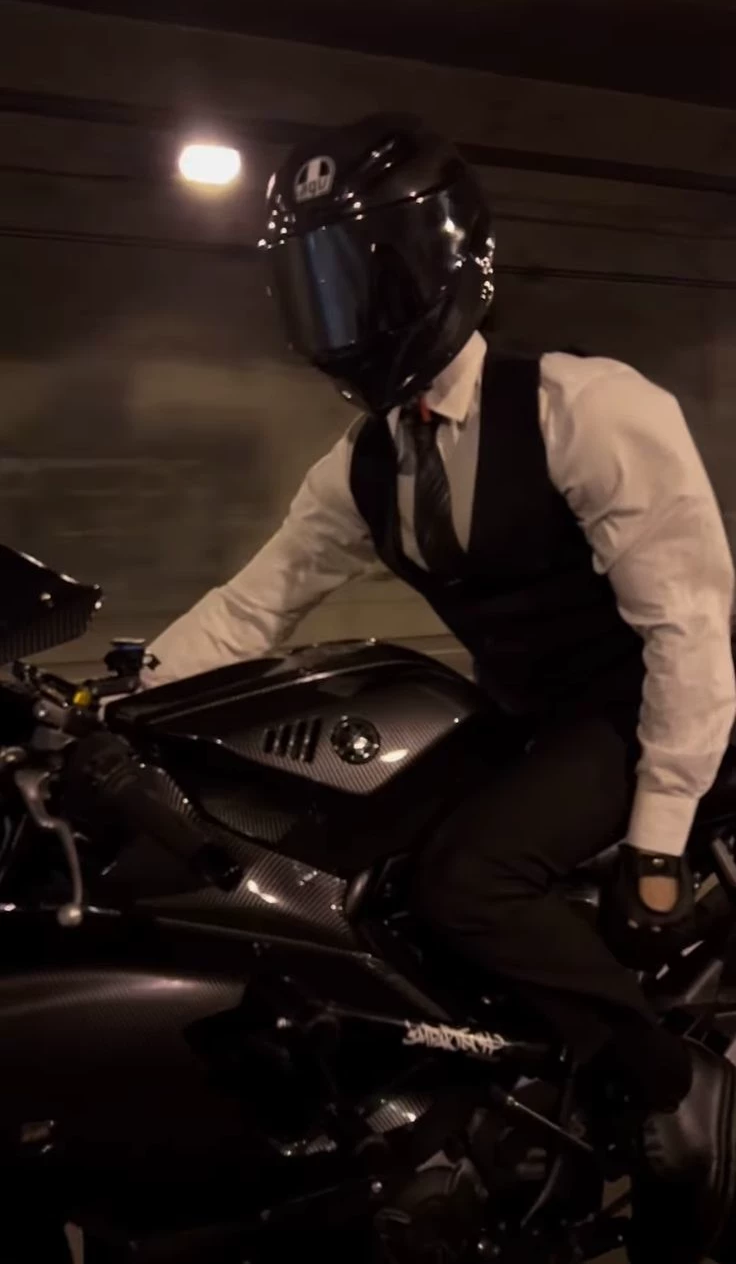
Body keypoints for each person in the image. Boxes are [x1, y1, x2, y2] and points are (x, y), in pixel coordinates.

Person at [142, 114, 736, 1190]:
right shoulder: (364, 463)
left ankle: (668, 1084)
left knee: (468, 883)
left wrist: (656, 842)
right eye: (312, 284)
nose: (333, 313)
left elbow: (687, 628)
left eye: (351, 278)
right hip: (518, 712)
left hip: (634, 708)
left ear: (432, 265)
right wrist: (115, 706)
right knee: (362, 860)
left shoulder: (584, 408)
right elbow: (252, 606)